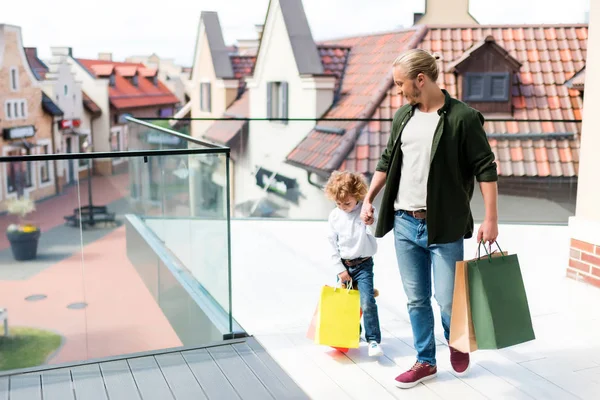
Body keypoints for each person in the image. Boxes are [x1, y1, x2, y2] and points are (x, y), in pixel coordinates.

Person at [360, 49, 499, 389]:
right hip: (405, 223)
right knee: (416, 299)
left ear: (420, 80)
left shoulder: (463, 118)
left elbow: (485, 167)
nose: (398, 91)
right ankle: (425, 361)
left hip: (445, 224)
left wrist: (491, 217)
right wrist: (368, 197)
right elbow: (387, 159)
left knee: (448, 299)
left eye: (400, 84)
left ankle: (457, 340)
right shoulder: (403, 117)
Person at [325, 171, 384, 357]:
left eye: (347, 203)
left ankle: (373, 340)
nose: (343, 207)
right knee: (347, 303)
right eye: (338, 203)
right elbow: (332, 245)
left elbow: (374, 233)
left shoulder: (365, 211)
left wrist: (370, 220)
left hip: (364, 265)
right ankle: (352, 333)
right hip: (344, 266)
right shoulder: (335, 216)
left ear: (357, 196)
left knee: (367, 301)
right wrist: (340, 270)